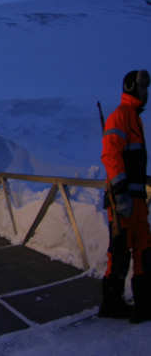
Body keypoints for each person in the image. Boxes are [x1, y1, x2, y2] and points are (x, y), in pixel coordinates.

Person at [99, 69, 151, 322]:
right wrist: (120, 195)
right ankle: (112, 303)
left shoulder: (134, 118)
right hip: (124, 203)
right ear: (131, 87)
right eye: (142, 87)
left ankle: (143, 304)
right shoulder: (120, 116)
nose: (146, 92)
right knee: (120, 253)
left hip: (138, 202)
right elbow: (110, 155)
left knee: (144, 252)